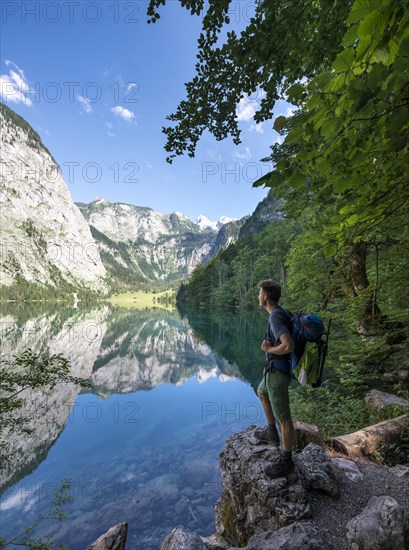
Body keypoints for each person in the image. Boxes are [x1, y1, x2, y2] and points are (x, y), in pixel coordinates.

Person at [254, 279, 295, 477]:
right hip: (274, 371)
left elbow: (288, 345)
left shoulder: (275, 318)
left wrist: (270, 349)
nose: (258, 296)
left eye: (259, 292)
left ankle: (287, 461)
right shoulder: (281, 312)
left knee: (284, 419)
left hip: (278, 374)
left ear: (266, 296)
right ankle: (271, 434)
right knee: (261, 392)